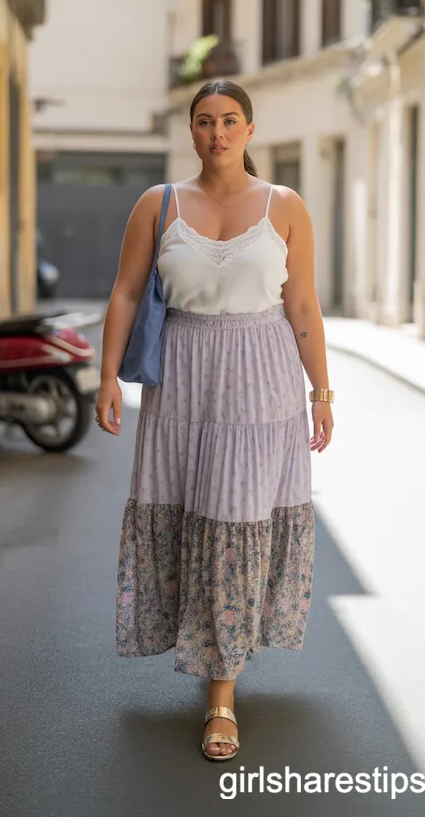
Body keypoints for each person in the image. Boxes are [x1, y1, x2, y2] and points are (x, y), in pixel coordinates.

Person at [95, 80, 334, 761]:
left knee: (233, 526)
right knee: (188, 521)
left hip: (262, 384)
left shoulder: (285, 207)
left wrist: (322, 391)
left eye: (231, 121)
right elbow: (126, 292)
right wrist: (107, 376)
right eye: (205, 121)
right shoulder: (157, 204)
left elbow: (305, 308)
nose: (218, 133)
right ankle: (208, 654)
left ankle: (221, 697)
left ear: (250, 130)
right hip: (182, 386)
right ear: (191, 131)